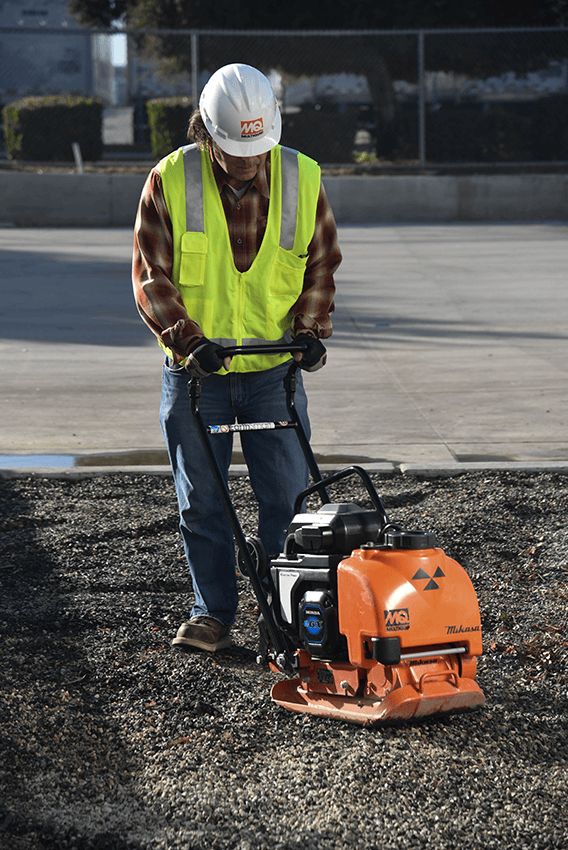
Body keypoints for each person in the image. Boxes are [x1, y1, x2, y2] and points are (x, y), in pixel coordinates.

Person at [132, 63, 342, 652]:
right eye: (236, 150)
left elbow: (321, 261)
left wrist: (310, 329)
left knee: (288, 501)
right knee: (202, 502)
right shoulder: (170, 180)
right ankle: (213, 613)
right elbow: (152, 276)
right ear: (206, 133)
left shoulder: (302, 177)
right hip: (199, 375)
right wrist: (187, 340)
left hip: (275, 372)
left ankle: (285, 619)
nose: (249, 161)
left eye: (258, 149)